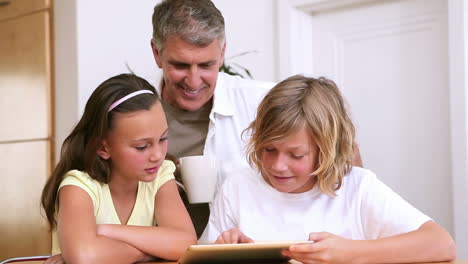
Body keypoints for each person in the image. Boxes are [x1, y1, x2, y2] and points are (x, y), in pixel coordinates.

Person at [200, 75, 456, 264]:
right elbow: (201, 255)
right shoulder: (237, 187)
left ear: (327, 149)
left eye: (296, 155)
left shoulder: (357, 187)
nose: (278, 165)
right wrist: (222, 251)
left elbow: (441, 245)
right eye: (268, 149)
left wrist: (351, 252)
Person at [41, 74, 196, 264]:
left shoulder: (160, 175)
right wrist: (148, 252)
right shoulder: (77, 187)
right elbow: (85, 258)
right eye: (141, 147)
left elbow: (186, 244)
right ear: (103, 148)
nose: (157, 155)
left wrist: (105, 231)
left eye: (162, 139)